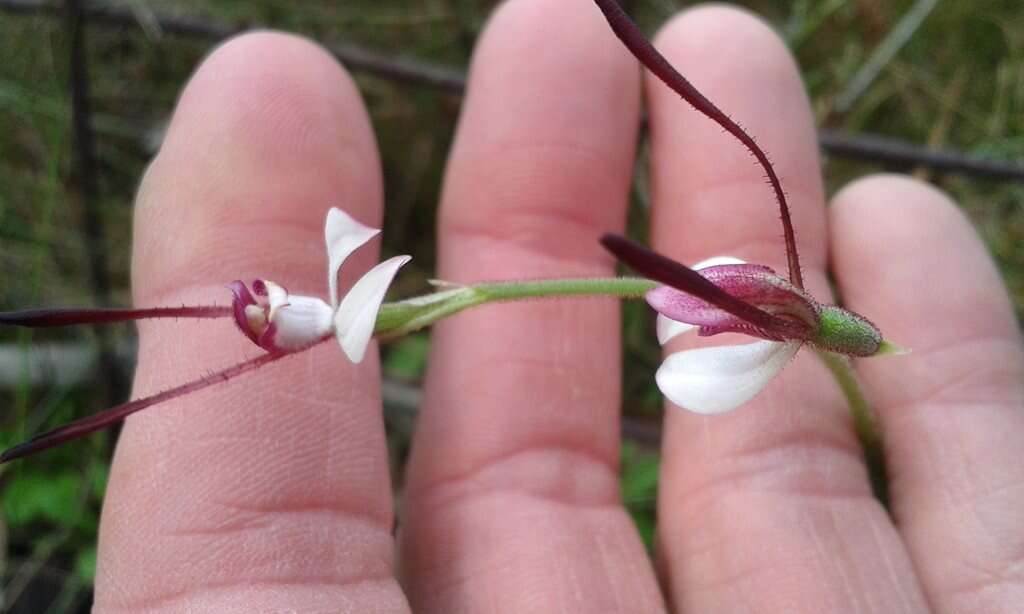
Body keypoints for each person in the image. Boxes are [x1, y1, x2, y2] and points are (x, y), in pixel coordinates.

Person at [94, 1, 1024, 612]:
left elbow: (685, 314)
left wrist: (802, 325)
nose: (269, 313)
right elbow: (680, 315)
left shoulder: (761, 340)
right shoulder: (354, 289)